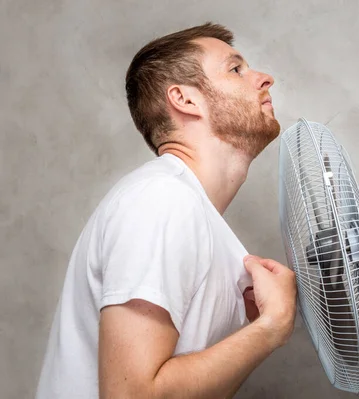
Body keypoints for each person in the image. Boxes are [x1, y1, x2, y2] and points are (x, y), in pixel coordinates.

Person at [35, 22, 297, 399]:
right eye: (236, 69)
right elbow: (132, 395)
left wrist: (255, 328)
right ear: (184, 99)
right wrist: (271, 327)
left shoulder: (194, 216)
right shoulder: (161, 200)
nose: (264, 78)